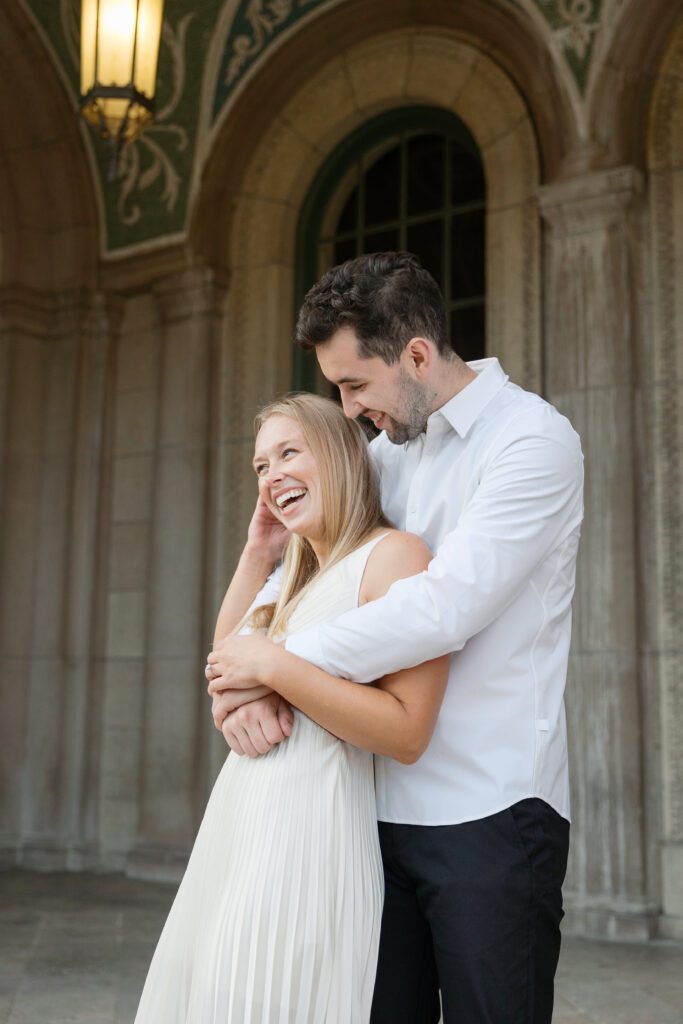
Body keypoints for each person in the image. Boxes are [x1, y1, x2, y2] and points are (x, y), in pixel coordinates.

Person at [208, 252, 584, 1024]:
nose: (346, 409)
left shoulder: (531, 440)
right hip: (366, 816)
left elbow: (443, 607)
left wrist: (273, 668)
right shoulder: (374, 460)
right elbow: (283, 600)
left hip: (492, 808)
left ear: (415, 354)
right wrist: (238, 683)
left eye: (354, 384)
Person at [134, 393, 449, 1024]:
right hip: (239, 827)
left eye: (287, 453)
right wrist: (258, 554)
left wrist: (277, 669)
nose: (270, 475)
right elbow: (225, 658)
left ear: (337, 455)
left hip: (315, 832)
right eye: (259, 466)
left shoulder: (396, 556)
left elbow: (407, 730)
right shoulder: (291, 573)